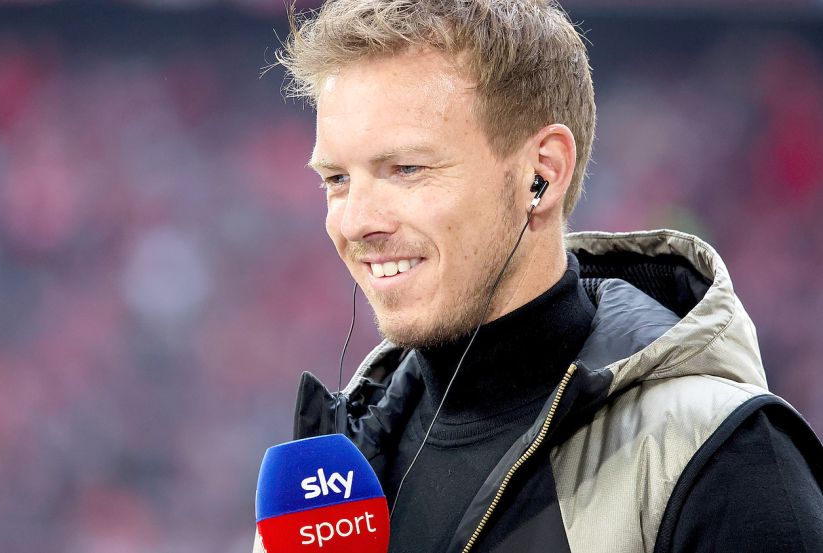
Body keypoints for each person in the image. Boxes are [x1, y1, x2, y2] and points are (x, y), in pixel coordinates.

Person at [261, 1, 823, 552]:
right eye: (336, 178)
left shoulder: (723, 460)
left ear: (542, 176)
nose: (356, 221)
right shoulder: (326, 484)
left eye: (406, 169)